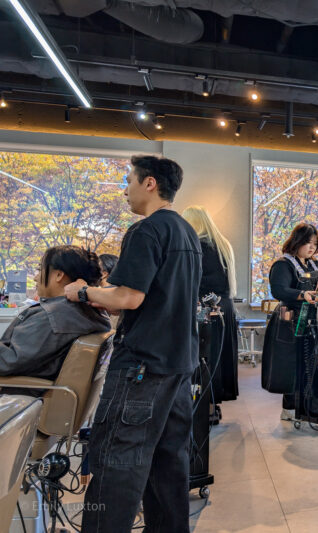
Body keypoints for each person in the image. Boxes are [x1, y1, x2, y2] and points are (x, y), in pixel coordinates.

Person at [65, 155, 201, 533]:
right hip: (178, 363)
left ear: (150, 183)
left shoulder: (146, 231)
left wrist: (82, 292)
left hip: (143, 366)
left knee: (116, 463)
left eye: (129, 181)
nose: (124, 190)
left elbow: (128, 297)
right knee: (167, 463)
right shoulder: (187, 233)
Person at [0, 246, 110, 380]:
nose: (35, 278)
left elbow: (8, 361)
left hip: (17, 392)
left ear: (59, 275)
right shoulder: (91, 312)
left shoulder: (52, 317)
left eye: (40, 270)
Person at [264, 222, 318, 421]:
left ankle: (308, 407)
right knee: (291, 364)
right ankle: (289, 409)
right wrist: (302, 294)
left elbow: (316, 293)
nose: (311, 247)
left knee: (310, 363)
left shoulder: (313, 264)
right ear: (297, 242)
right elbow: (279, 291)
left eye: (314, 243)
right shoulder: (283, 265)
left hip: (311, 320)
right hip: (290, 321)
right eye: (307, 243)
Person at [182, 205, 239, 401]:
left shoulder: (199, 246)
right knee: (219, 358)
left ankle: (204, 403)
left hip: (207, 308)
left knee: (205, 357)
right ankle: (214, 402)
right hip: (225, 306)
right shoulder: (222, 245)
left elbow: (195, 281)